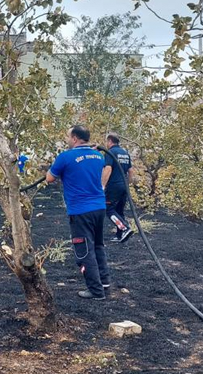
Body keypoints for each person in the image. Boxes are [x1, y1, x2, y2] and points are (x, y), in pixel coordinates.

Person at [46, 125, 110, 300]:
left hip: (81, 210)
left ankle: (96, 291)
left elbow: (49, 178)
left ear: (74, 138)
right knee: (98, 245)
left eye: (68, 137)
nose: (67, 140)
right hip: (99, 207)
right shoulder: (98, 155)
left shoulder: (65, 157)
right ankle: (104, 283)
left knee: (84, 250)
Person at [102, 133, 135, 243]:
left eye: (107, 141)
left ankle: (124, 228)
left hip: (114, 186)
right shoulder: (125, 153)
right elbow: (130, 171)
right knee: (119, 210)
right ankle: (119, 236)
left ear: (110, 141)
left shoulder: (110, 152)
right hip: (123, 186)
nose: (106, 144)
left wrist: (102, 186)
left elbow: (108, 169)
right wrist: (127, 184)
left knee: (109, 209)